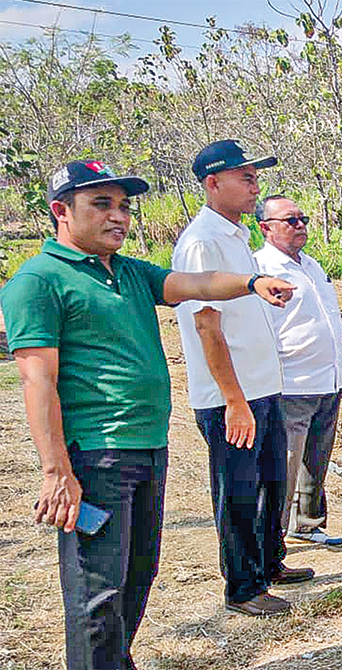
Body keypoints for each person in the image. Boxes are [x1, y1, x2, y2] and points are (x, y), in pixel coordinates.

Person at [1, 159, 297, 669]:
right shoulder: (38, 281)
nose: (119, 216)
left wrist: (252, 283)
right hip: (95, 457)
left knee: (138, 574)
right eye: (101, 204)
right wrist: (57, 473)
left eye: (124, 206)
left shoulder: (130, 272)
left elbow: (197, 285)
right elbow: (37, 381)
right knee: (96, 591)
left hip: (148, 448)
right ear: (60, 211)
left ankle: (117, 660)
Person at [172, 140, 313, 618]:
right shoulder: (201, 243)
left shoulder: (235, 237)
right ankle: (243, 587)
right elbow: (207, 327)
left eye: (255, 177)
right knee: (237, 491)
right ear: (213, 183)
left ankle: (270, 562)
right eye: (245, 178)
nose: (255, 187)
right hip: (231, 397)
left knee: (272, 483)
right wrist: (234, 400)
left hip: (262, 387)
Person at [254, 195, 342, 547]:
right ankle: (273, 537)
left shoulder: (310, 265)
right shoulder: (261, 270)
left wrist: (341, 364)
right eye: (290, 221)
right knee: (285, 463)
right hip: (291, 383)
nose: (300, 226)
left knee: (317, 457)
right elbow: (262, 333)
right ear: (265, 228)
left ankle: (307, 523)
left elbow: (326, 320)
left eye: (303, 219)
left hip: (327, 379)